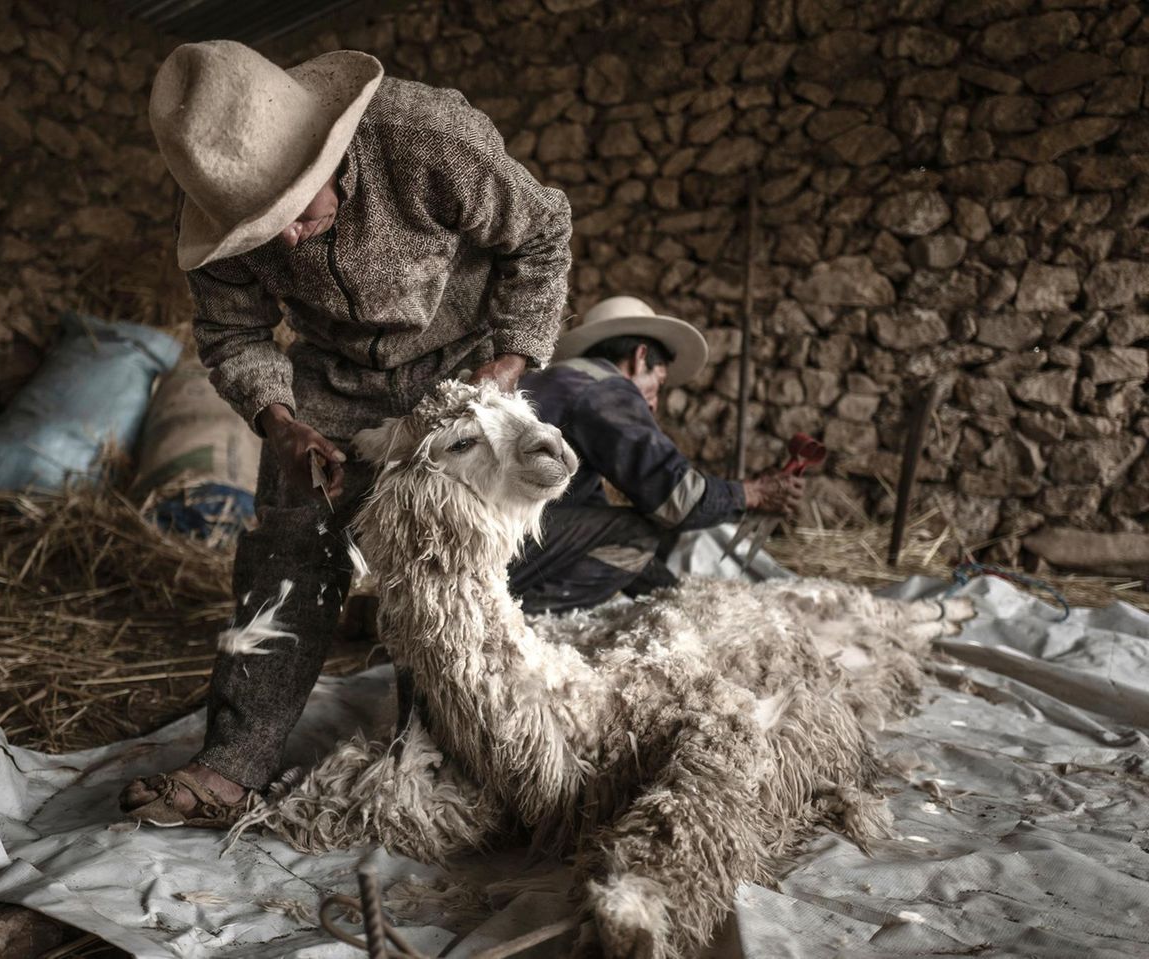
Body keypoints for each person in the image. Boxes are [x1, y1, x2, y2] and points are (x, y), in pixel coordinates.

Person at [119, 41, 572, 825]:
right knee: (286, 550)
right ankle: (235, 761)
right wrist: (281, 423)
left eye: (293, 210)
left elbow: (541, 235)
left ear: (328, 151)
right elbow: (234, 337)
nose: (286, 241)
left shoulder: (428, 140)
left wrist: (505, 368)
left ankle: (436, 752)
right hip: (329, 382)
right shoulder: (221, 203)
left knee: (441, 556)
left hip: (458, 370)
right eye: (262, 230)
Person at [508, 295, 803, 613]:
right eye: (658, 384)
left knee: (628, 532)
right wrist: (754, 494)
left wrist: (678, 600)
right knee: (639, 531)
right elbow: (678, 502)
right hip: (504, 546)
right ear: (639, 357)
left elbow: (596, 524)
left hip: (494, 541)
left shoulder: (557, 382)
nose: (652, 404)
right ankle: (524, 621)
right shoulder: (603, 387)